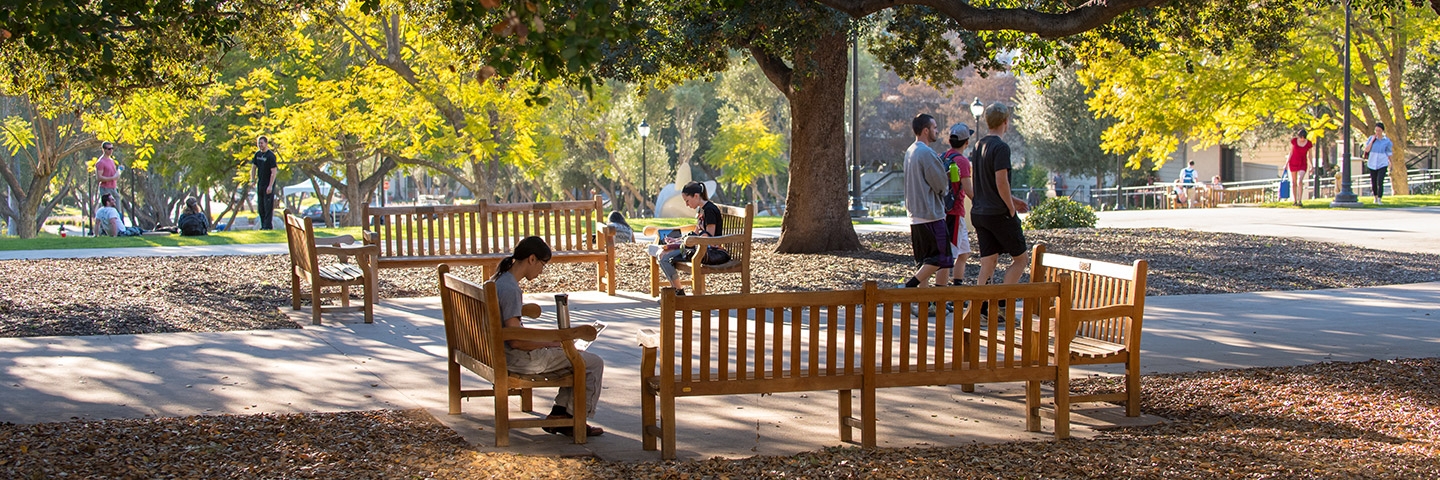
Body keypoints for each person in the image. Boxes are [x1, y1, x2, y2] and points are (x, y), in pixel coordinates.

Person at [494, 236, 605, 437]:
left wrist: (552, 343)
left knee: (573, 357)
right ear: (532, 259)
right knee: (592, 362)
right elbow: (516, 340)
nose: (541, 271)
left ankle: (559, 415)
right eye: (543, 265)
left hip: (497, 353)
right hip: (516, 359)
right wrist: (554, 342)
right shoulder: (510, 289)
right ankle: (575, 420)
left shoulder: (499, 280)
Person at [968, 102, 1030, 287]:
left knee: (988, 263)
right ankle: (1002, 305)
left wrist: (1013, 199)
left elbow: (983, 181)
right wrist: (1011, 208)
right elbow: (1001, 181)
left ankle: (982, 308)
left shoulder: (978, 145)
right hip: (998, 213)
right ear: (1006, 121)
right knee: (1021, 260)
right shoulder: (1001, 147)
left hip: (980, 212)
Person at [900, 114, 953, 290]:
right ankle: (909, 286)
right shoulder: (926, 153)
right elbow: (939, 184)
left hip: (915, 215)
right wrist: (945, 184)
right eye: (935, 127)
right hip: (931, 214)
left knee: (924, 261)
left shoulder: (910, 151)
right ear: (925, 130)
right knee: (940, 258)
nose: (937, 131)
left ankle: (925, 303)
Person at [647, 181, 722, 296]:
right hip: (697, 246)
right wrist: (678, 241)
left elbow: (709, 238)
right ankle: (678, 290)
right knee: (658, 250)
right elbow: (696, 232)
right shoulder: (702, 209)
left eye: (687, 201)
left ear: (696, 196)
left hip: (707, 251)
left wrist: (684, 243)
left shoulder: (710, 210)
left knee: (663, 256)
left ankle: (678, 292)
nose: (687, 205)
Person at [938, 123, 974, 287]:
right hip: (955, 212)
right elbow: (968, 189)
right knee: (948, 256)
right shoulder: (962, 161)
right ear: (966, 143)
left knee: (964, 252)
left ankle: (956, 288)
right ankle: (940, 297)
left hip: (945, 209)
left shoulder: (943, 156)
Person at [251, 136, 279, 229]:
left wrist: (270, 186)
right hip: (260, 183)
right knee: (261, 206)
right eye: (259, 143)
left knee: (268, 206)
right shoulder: (257, 155)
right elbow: (254, 167)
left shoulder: (270, 156)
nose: (260, 145)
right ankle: (263, 225)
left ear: (266, 143)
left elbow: (273, 171)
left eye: (261, 143)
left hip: (268, 184)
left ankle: (268, 226)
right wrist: (252, 179)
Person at [1362, 122, 1393, 205]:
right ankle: (1375, 197)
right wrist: (1372, 141)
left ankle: (1379, 198)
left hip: (1382, 162)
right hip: (1372, 162)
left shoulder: (1386, 141)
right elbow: (1367, 150)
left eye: (1379, 130)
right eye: (1376, 130)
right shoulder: (1371, 138)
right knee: (1373, 181)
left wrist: (1391, 163)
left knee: (1380, 181)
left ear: (1382, 131)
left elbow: (1389, 153)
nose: (1377, 132)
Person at [94, 142, 124, 226]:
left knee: (118, 209)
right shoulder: (100, 162)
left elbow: (115, 174)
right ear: (104, 150)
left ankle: (120, 227)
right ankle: (103, 228)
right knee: (108, 210)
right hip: (105, 189)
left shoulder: (111, 161)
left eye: (112, 148)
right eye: (109, 149)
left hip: (114, 187)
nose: (111, 150)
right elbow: (99, 178)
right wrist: (111, 178)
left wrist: (119, 171)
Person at [1286, 131, 1313, 206]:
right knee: (1294, 183)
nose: (1302, 139)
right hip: (1293, 162)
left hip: (1303, 163)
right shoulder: (1294, 141)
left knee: (1300, 181)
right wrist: (1286, 163)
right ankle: (1295, 201)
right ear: (1299, 136)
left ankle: (1300, 200)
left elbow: (1310, 156)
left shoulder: (1309, 144)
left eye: (1304, 138)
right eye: (1301, 138)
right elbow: (1291, 152)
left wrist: (1312, 166)